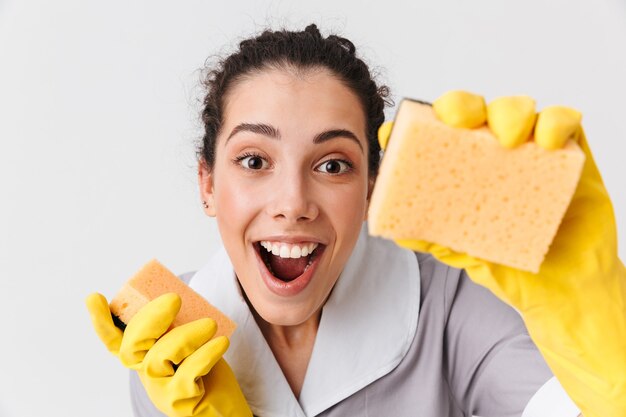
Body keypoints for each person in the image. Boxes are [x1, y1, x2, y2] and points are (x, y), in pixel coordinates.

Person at [87, 24, 626, 417]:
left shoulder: (454, 303)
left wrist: (602, 338)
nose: (293, 202)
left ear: (371, 186)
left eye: (333, 164)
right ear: (208, 184)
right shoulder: (169, 339)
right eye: (254, 161)